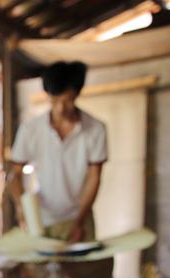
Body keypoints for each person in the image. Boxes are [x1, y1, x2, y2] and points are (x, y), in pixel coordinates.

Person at [8, 61, 107, 243]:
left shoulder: (95, 129)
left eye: (67, 100)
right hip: (42, 221)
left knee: (84, 269)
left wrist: (79, 222)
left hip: (80, 217)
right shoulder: (31, 129)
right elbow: (14, 175)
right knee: (43, 270)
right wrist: (22, 208)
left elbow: (94, 177)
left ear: (77, 94)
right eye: (54, 101)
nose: (60, 108)